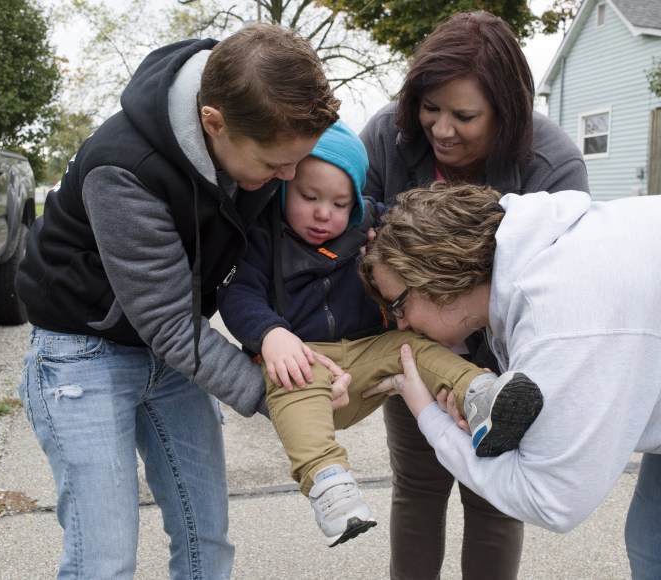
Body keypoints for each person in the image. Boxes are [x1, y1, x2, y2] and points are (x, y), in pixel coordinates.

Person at [14, 24, 350, 579]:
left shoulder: (262, 132)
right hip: (82, 354)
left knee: (207, 541)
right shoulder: (122, 170)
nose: (288, 177)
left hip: (173, 349)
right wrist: (285, 394)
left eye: (297, 160)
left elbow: (266, 275)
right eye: (273, 165)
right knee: (104, 562)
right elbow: (169, 324)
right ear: (213, 122)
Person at [360, 182, 661, 580]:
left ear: (436, 273)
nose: (401, 323)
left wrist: (428, 416)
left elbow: (550, 499)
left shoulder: (564, 317)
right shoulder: (526, 251)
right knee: (656, 551)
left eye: (399, 305)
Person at [217, 121, 543, 548]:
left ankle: (479, 393)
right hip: (306, 358)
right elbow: (238, 294)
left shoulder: (373, 223)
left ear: (355, 201)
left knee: (413, 346)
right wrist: (271, 334)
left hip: (369, 351)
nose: (322, 213)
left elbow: (418, 229)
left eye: (339, 202)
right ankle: (329, 483)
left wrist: (388, 243)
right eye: (308, 197)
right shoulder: (263, 238)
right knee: (291, 378)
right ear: (284, 189)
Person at [359, 10, 589, 579]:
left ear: (507, 111)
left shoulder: (553, 167)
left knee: (494, 502)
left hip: (504, 361)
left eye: (464, 115)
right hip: (410, 345)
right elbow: (347, 233)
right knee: (417, 489)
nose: (440, 129)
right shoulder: (387, 138)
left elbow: (562, 291)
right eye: (429, 108)